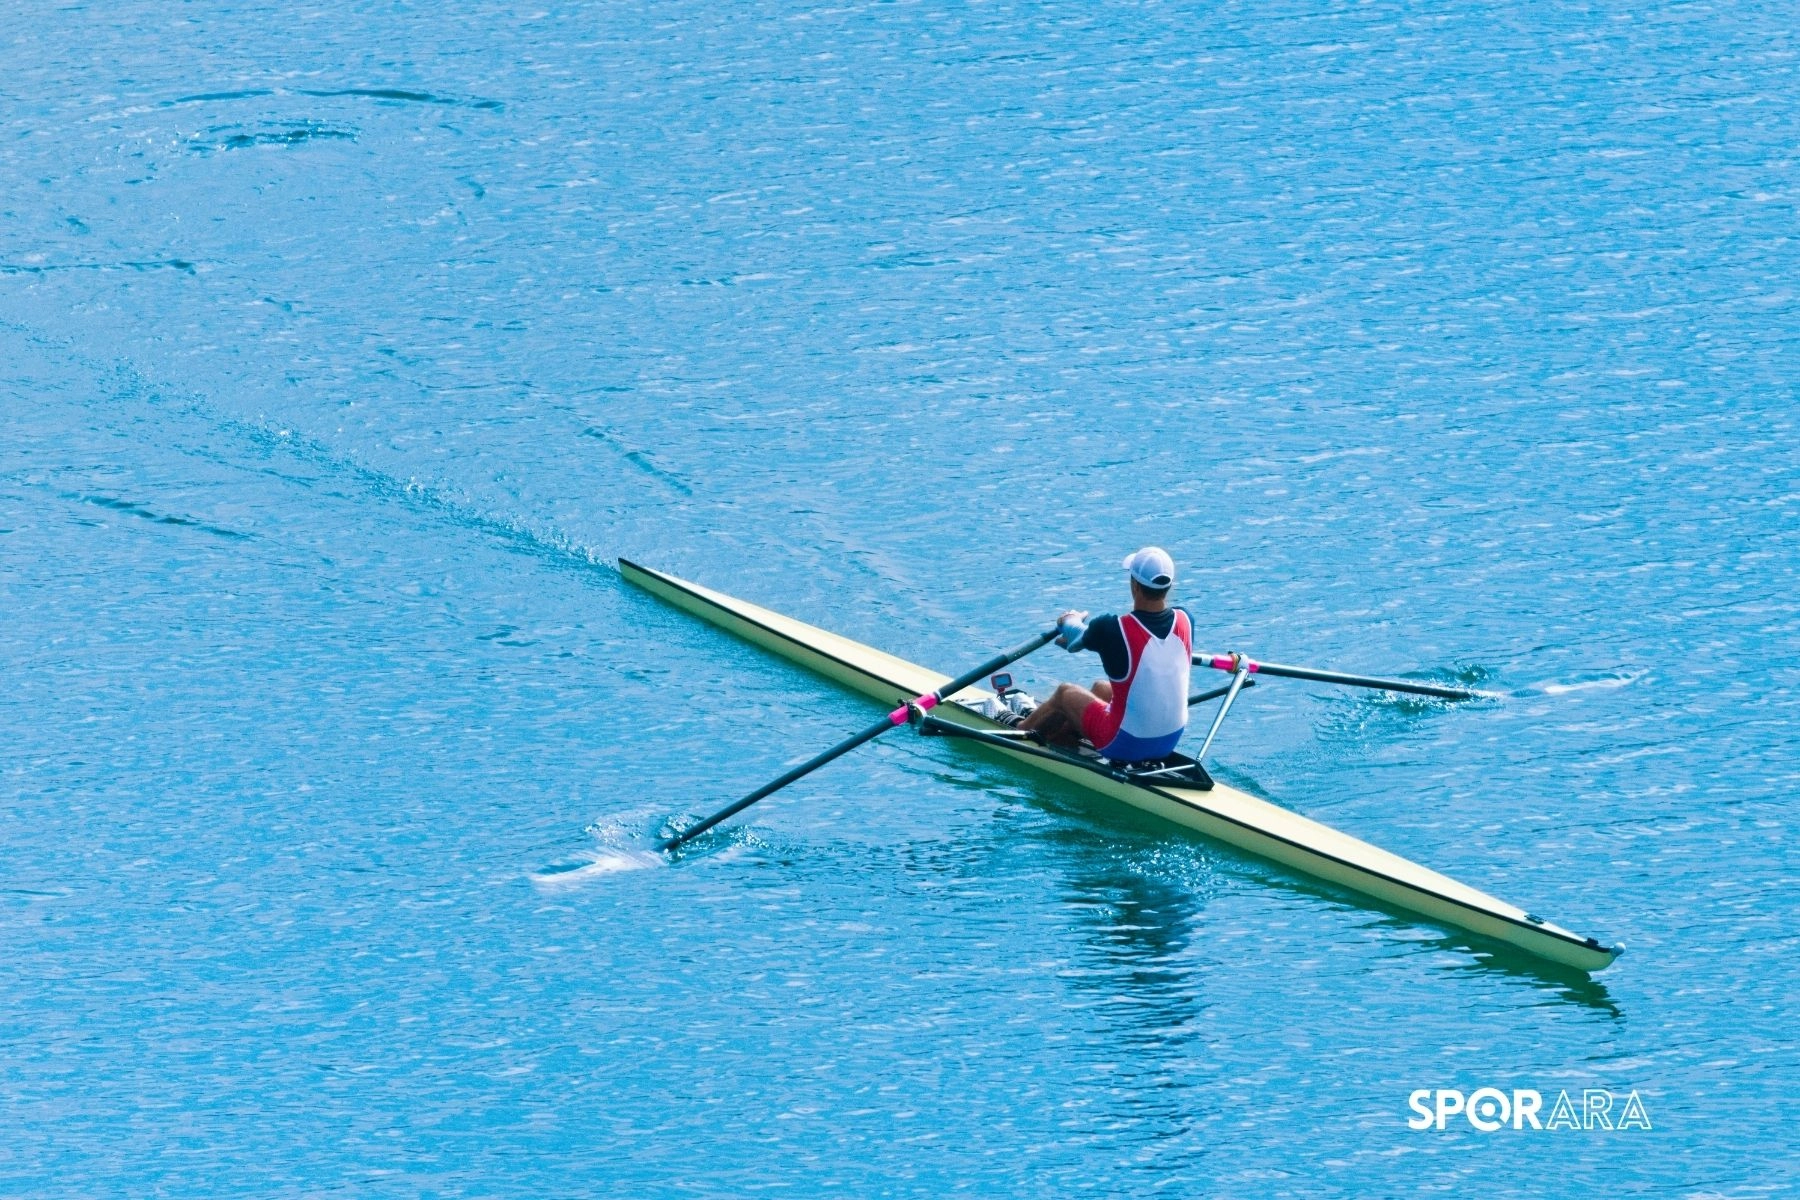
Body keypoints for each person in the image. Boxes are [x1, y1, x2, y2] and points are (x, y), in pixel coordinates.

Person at [1011, 547, 1193, 762]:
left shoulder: (1112, 629)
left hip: (1123, 744)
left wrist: (1070, 617)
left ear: (1134, 585)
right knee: (1100, 689)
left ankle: (1018, 730)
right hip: (1169, 741)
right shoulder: (1186, 619)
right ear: (1168, 586)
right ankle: (1065, 735)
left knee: (1064, 692)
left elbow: (1074, 639)